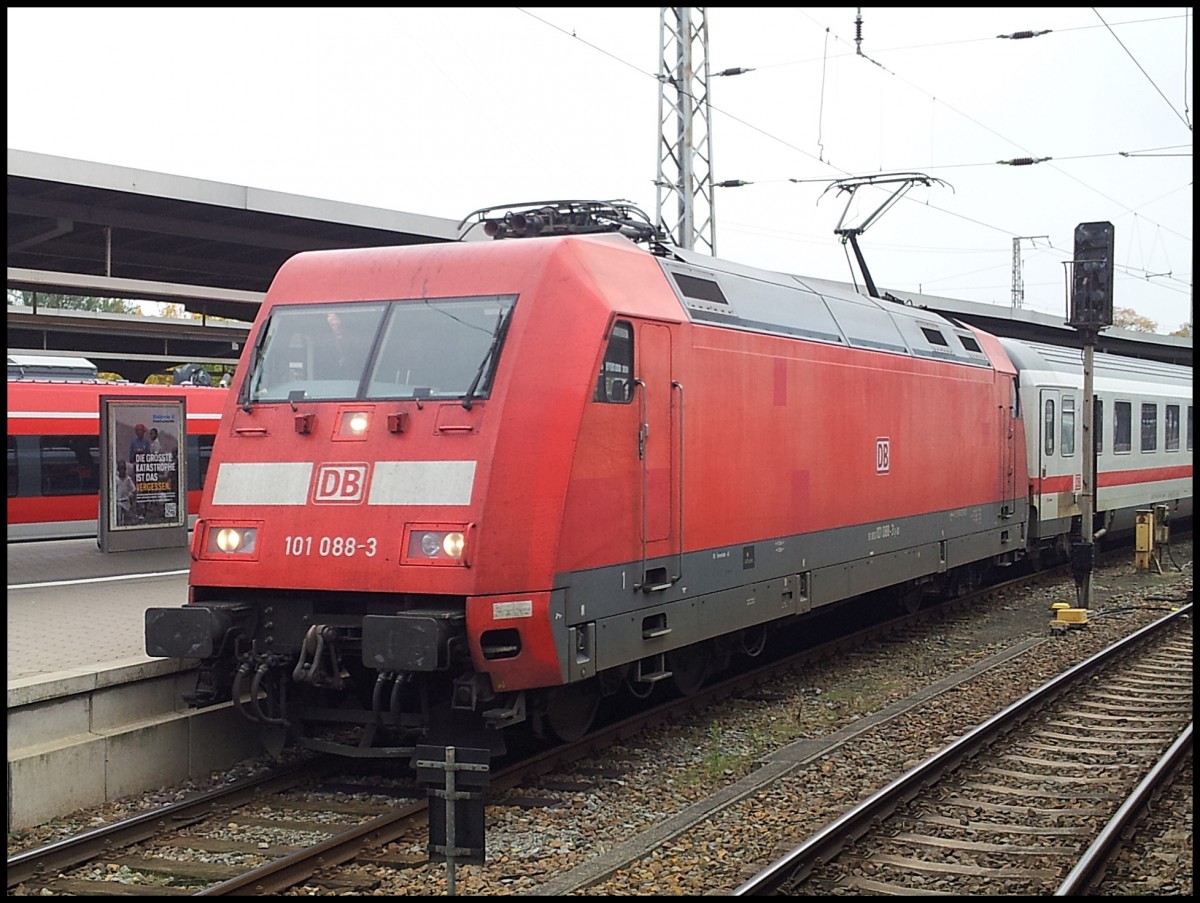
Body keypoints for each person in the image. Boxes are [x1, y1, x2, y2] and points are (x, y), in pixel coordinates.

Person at [115, 460, 138, 525]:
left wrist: (131, 494)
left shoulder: (128, 479)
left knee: (126, 518)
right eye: (120, 469)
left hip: (126, 502)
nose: (122, 471)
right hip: (118, 502)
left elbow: (133, 490)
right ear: (118, 470)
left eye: (123, 469)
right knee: (119, 518)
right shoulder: (116, 479)